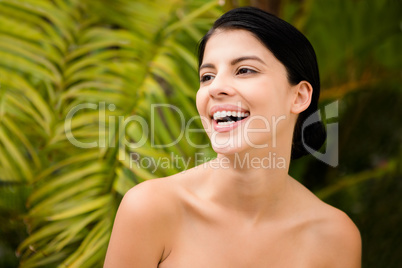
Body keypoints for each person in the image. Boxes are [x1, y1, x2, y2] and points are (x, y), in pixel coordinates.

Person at [104, 7, 361, 267]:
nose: (215, 88)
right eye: (207, 76)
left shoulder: (336, 237)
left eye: (245, 70)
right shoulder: (151, 209)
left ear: (299, 96)